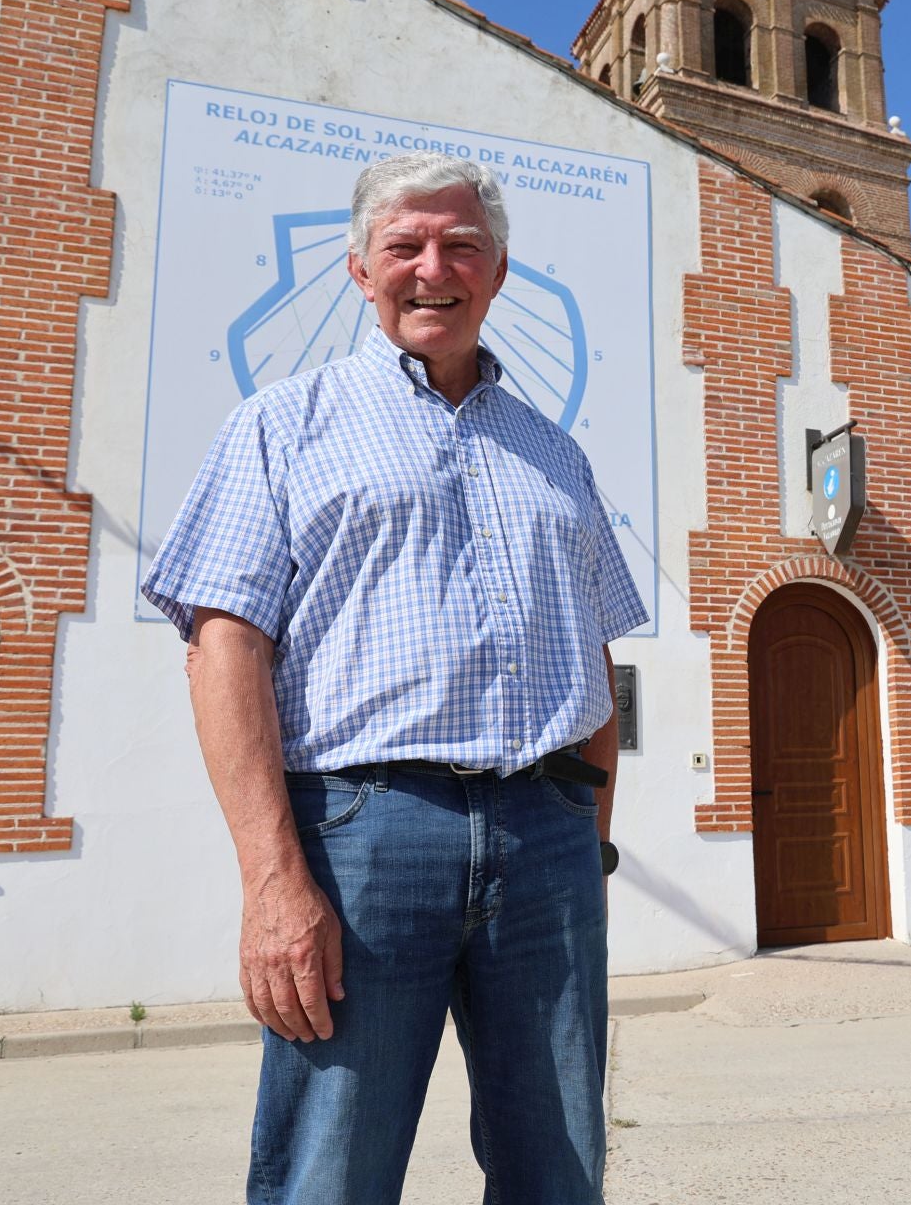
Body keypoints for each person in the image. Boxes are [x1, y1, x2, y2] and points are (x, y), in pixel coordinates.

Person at [142, 151, 644, 1204]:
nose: (434, 266)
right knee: (331, 1168)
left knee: (559, 1169)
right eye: (405, 245)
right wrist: (274, 878)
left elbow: (596, 652)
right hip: (363, 835)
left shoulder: (556, 454)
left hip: (547, 834)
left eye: (461, 245)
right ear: (361, 272)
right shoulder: (281, 425)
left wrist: (585, 833)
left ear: (498, 272)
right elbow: (222, 645)